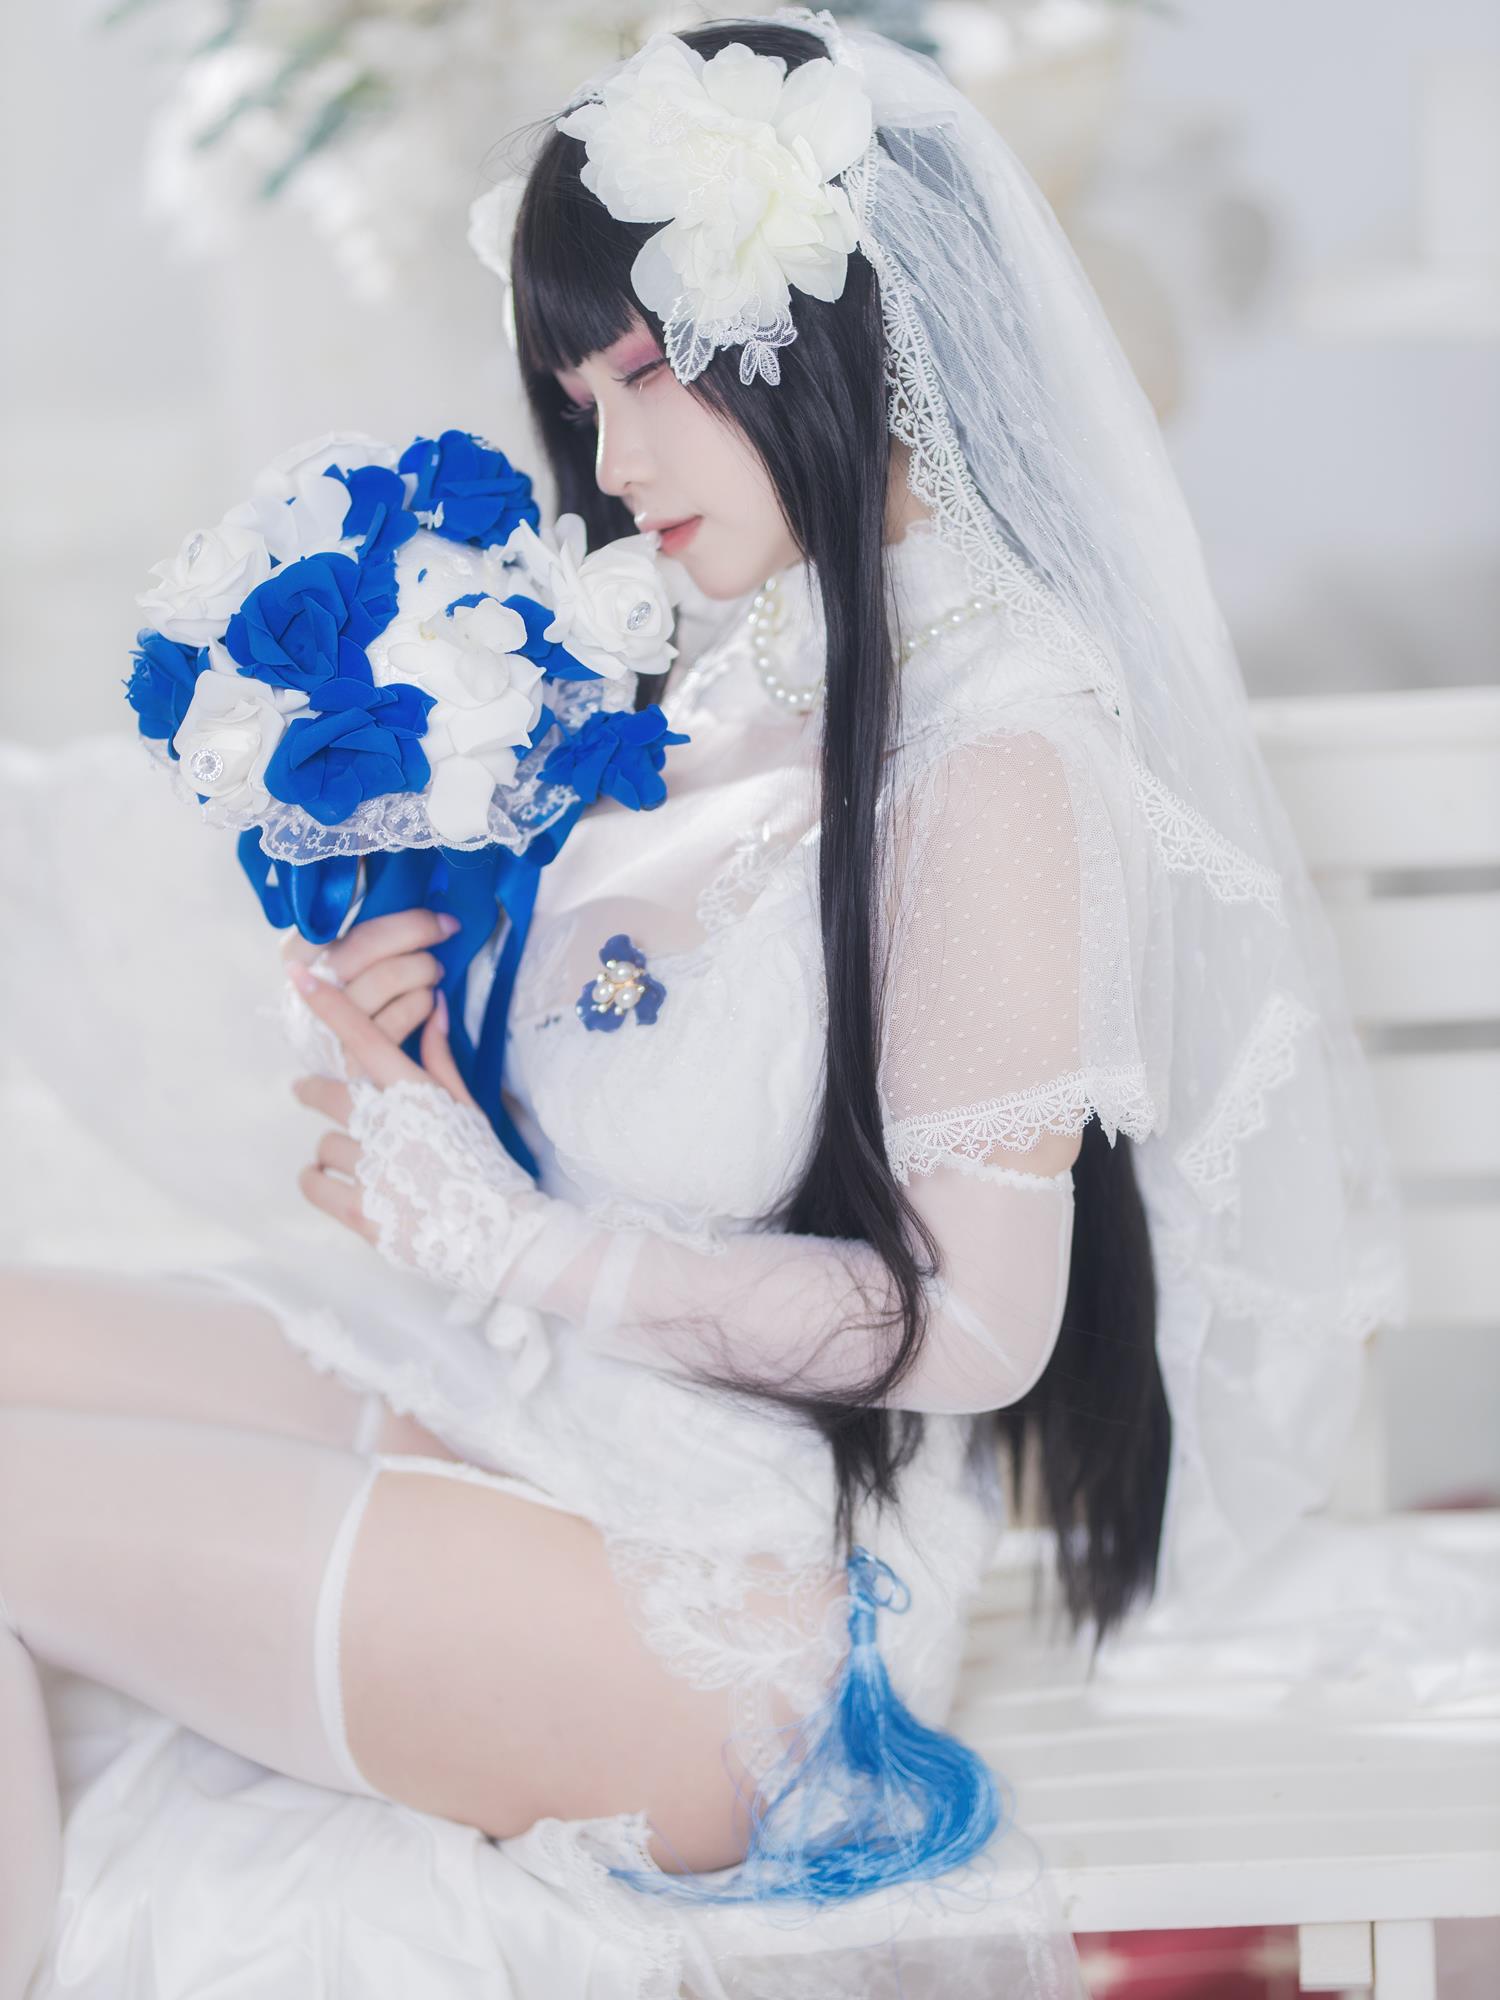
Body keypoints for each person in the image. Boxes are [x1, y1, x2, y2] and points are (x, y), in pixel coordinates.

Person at [0, 10, 1404, 1997]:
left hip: (736, 1591)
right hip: (549, 1418)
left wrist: (525, 1249)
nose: (611, 458)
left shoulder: (1000, 753)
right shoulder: (740, 674)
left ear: (824, 331)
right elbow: (653, 1116)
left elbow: (977, 1324)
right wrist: (421, 1085)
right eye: (584, 393)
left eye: (650, 375)